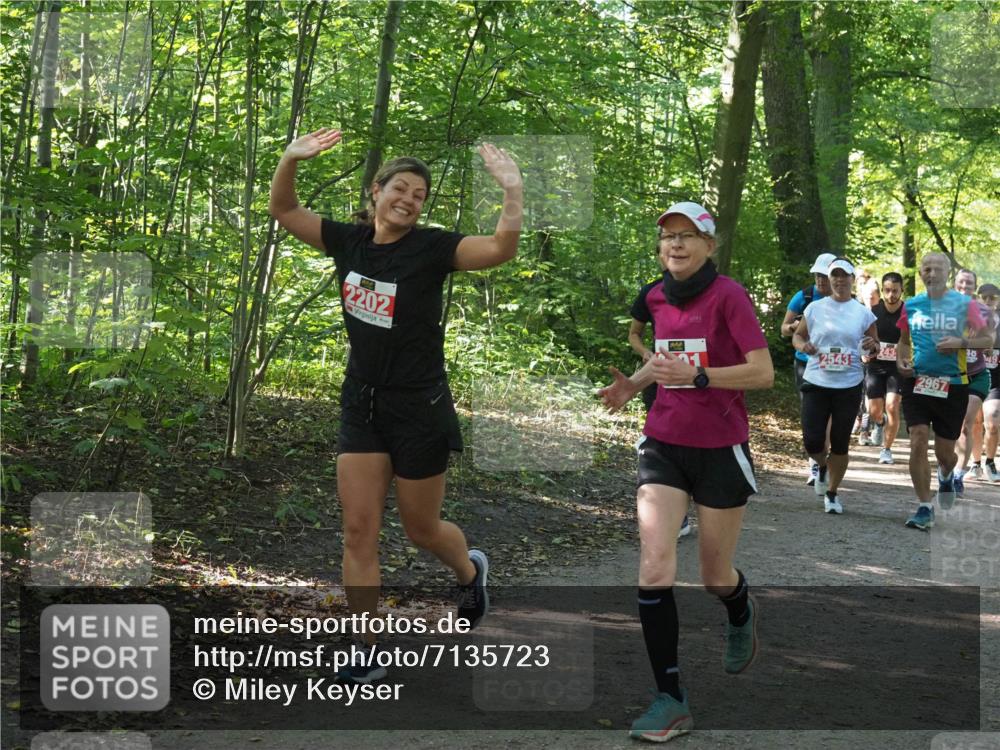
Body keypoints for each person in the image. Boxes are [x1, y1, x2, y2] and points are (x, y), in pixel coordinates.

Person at [268, 128, 523, 682]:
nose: (408, 199)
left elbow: (500, 249)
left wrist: (511, 191)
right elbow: (283, 209)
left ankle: (469, 571)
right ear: (376, 192)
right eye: (400, 189)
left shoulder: (431, 249)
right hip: (362, 402)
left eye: (418, 195)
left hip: (419, 408)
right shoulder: (349, 241)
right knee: (358, 531)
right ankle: (365, 646)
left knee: (420, 528)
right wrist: (290, 158)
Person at [599, 202, 774, 742]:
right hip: (664, 444)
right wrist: (633, 385)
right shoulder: (656, 296)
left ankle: (739, 608)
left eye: (687, 235)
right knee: (654, 564)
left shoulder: (729, 296)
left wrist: (700, 376)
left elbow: (763, 373)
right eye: (667, 237)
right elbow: (665, 360)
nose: (675, 244)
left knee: (715, 576)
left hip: (720, 447)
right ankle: (670, 699)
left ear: (708, 245)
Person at [896, 253, 992, 530]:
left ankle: (946, 474)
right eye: (927, 268)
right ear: (921, 273)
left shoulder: (965, 304)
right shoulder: (911, 305)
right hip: (917, 382)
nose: (932, 273)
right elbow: (904, 342)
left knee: (945, 454)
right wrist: (902, 361)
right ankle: (924, 506)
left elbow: (987, 339)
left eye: (938, 268)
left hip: (954, 384)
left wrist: (961, 343)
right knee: (917, 438)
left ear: (948, 273)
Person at [792, 258, 878, 513]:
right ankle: (821, 465)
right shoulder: (815, 308)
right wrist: (803, 345)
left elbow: (874, 344)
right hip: (816, 380)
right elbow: (798, 335)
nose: (839, 280)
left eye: (844, 276)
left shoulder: (862, 312)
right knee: (812, 441)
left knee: (840, 442)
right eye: (835, 276)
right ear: (829, 279)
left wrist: (872, 347)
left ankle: (832, 493)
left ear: (852, 279)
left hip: (848, 383)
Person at [630, 257, 691, 539]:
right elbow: (634, 333)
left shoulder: (714, 291)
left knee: (689, 439)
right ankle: (676, 514)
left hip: (698, 380)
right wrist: (645, 352)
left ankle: (690, 502)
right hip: (658, 374)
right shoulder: (651, 292)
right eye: (664, 247)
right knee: (663, 440)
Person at [780, 253, 835, 485]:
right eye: (817, 275)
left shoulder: (844, 300)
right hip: (805, 362)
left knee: (829, 413)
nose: (820, 280)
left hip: (832, 363)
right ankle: (815, 461)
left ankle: (823, 457)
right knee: (810, 412)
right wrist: (794, 327)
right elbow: (783, 328)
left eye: (824, 276)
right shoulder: (804, 297)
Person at [953, 269, 996, 495]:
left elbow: (989, 341)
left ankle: (959, 474)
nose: (964, 287)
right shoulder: (945, 309)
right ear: (954, 284)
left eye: (969, 284)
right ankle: (948, 468)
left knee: (965, 424)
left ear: (973, 288)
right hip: (951, 375)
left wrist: (981, 344)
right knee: (951, 427)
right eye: (961, 282)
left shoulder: (984, 312)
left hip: (976, 375)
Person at [862, 272, 906, 464]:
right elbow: (863, 336)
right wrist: (863, 352)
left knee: (892, 406)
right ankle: (879, 423)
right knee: (874, 411)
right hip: (876, 365)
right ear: (882, 290)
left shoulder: (908, 312)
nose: (891, 295)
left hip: (897, 367)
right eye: (887, 290)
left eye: (895, 291)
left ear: (902, 290)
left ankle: (886, 449)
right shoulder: (873, 311)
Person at [977, 283, 1000, 482]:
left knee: (992, 420)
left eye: (992, 297)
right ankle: (975, 463)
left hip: (996, 378)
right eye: (983, 297)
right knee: (973, 423)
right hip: (973, 376)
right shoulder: (967, 319)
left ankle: (990, 462)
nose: (988, 301)